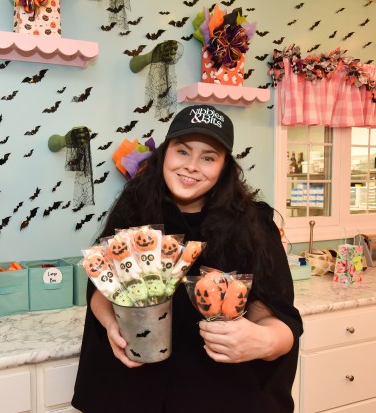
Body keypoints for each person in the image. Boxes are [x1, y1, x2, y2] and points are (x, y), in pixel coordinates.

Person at [71, 104, 303, 413]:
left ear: (224, 167)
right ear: (165, 154)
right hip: (133, 391)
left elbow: (278, 316)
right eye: (182, 151)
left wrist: (265, 339)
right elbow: (102, 286)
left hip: (218, 395)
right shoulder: (135, 207)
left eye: (208, 157)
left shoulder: (254, 224)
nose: (192, 166)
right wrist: (112, 324)